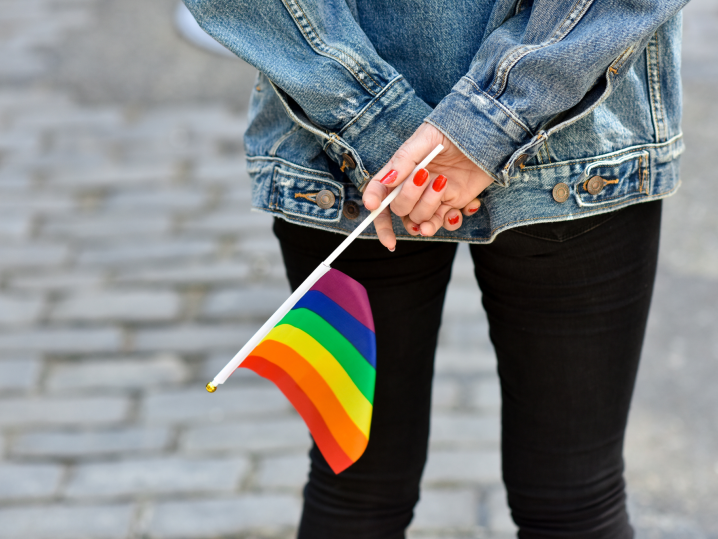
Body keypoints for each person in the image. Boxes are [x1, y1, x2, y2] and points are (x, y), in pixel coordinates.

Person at [183, 1, 689, 537]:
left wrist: (372, 119)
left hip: (338, 147)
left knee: (358, 493)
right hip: (577, 138)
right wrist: (494, 116)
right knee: (575, 502)